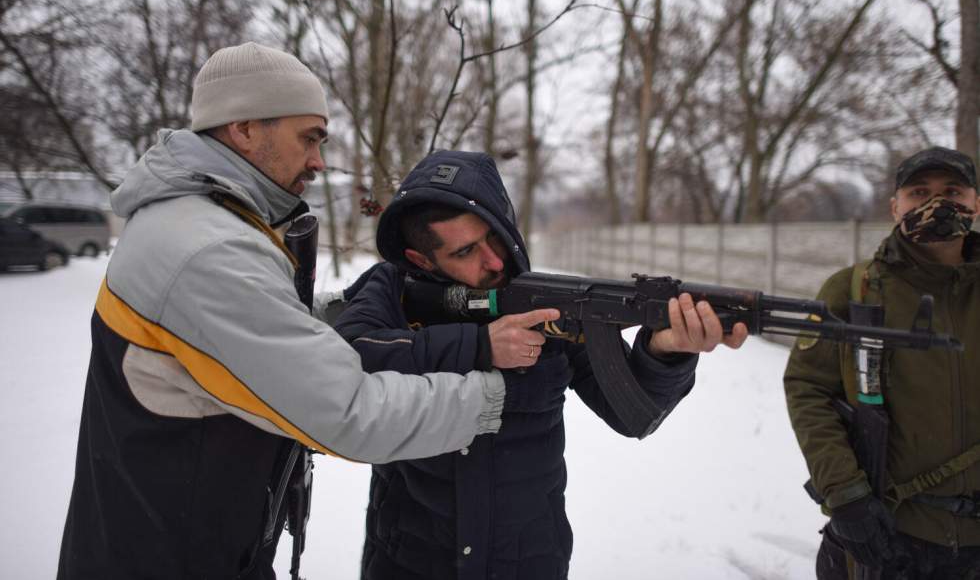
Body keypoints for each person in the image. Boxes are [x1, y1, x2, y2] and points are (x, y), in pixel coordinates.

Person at [56, 43, 514, 580]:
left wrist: (362, 307)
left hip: (182, 541)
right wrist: (496, 396)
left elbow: (262, 328)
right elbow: (347, 413)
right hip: (173, 557)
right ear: (245, 128)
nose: (319, 160)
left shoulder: (197, 219)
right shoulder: (207, 250)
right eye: (309, 138)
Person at [332, 150, 749, 580]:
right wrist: (478, 344)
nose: (495, 261)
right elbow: (348, 354)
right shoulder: (392, 290)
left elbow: (632, 413)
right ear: (421, 259)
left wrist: (666, 352)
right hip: (410, 560)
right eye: (467, 251)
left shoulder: (547, 302)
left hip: (526, 561)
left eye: (494, 237)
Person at [785, 146, 980, 579]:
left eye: (953, 190)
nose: (937, 203)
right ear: (895, 207)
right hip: (889, 536)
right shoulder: (853, 290)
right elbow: (808, 390)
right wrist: (846, 495)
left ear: (976, 203)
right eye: (919, 192)